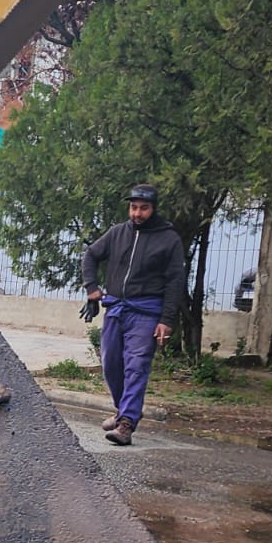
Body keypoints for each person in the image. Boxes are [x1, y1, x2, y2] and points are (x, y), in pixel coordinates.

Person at [80, 183, 186, 446]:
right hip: (116, 309)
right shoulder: (117, 233)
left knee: (136, 366)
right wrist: (92, 288)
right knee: (111, 364)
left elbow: (175, 280)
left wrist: (166, 320)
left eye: (144, 208)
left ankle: (126, 424)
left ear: (154, 209)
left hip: (147, 311)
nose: (137, 213)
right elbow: (91, 255)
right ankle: (122, 411)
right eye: (134, 207)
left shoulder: (168, 239)